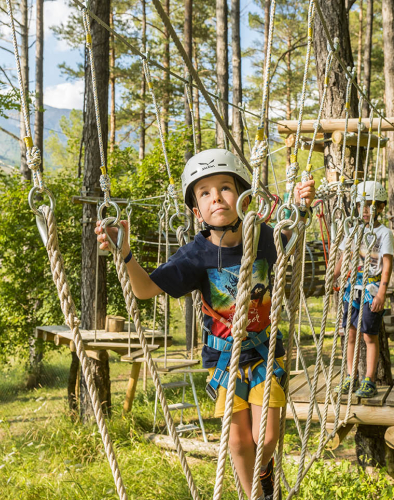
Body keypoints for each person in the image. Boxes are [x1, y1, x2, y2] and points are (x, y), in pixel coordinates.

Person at [95, 149, 315, 500]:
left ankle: (263, 469)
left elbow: (293, 233)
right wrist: (125, 253)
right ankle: (257, 495)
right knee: (239, 440)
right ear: (197, 211)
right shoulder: (195, 254)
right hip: (224, 360)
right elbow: (145, 288)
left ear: (243, 196)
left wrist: (302, 207)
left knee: (267, 438)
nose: (217, 198)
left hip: (263, 354)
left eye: (225, 187)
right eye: (205, 193)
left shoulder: (263, 238)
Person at [333, 181, 394, 398]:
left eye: (371, 205)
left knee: (369, 336)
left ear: (380, 207)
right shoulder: (354, 230)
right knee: (350, 334)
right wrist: (333, 275)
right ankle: (351, 377)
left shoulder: (384, 233)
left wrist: (381, 293)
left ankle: (369, 379)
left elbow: (387, 264)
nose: (365, 210)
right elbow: (344, 256)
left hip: (371, 289)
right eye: (362, 205)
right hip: (352, 289)